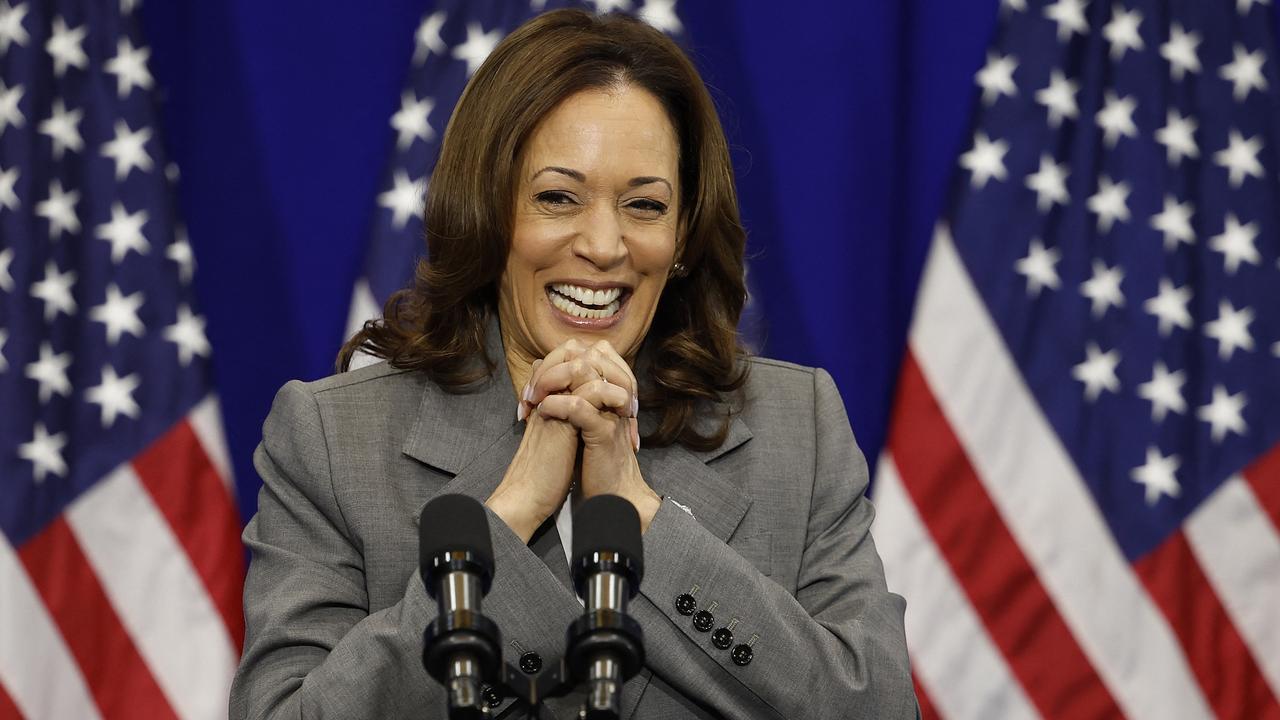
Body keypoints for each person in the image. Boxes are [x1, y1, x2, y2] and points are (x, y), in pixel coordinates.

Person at [230, 9, 917, 720]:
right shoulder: (332, 440)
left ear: (682, 236)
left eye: (644, 205)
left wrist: (642, 516)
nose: (603, 244)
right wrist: (510, 513)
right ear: (490, 212)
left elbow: (878, 707)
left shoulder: (793, 428)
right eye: (558, 197)